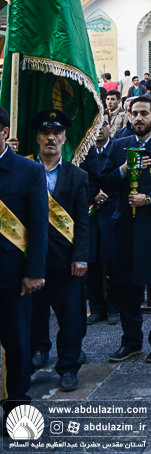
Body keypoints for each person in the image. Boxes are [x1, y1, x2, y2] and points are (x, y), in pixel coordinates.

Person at [100, 96, 151, 363]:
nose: (138, 118)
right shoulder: (119, 145)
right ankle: (131, 341)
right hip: (126, 226)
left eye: (144, 113)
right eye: (134, 113)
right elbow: (106, 182)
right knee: (126, 287)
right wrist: (124, 169)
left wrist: (148, 199)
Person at [28, 110, 89, 391]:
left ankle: (68, 367)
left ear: (64, 138)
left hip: (66, 261)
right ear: (37, 138)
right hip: (31, 260)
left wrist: (80, 256)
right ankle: (37, 353)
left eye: (56, 133)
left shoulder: (77, 176)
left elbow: (82, 222)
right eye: (45, 133)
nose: (50, 138)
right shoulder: (25, 170)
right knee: (33, 313)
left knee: (70, 318)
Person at [0, 107, 48, 424]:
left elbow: (39, 225)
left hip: (12, 275)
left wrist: (34, 272)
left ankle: (16, 409)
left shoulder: (28, 170)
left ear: (4, 132)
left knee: (17, 345)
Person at [81, 118, 118, 325]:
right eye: (96, 125)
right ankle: (96, 307)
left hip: (111, 209)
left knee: (112, 262)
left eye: (103, 124)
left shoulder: (115, 148)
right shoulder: (83, 150)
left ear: (109, 127)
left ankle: (114, 306)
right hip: (91, 211)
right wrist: (92, 194)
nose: (99, 129)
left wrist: (106, 191)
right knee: (92, 262)